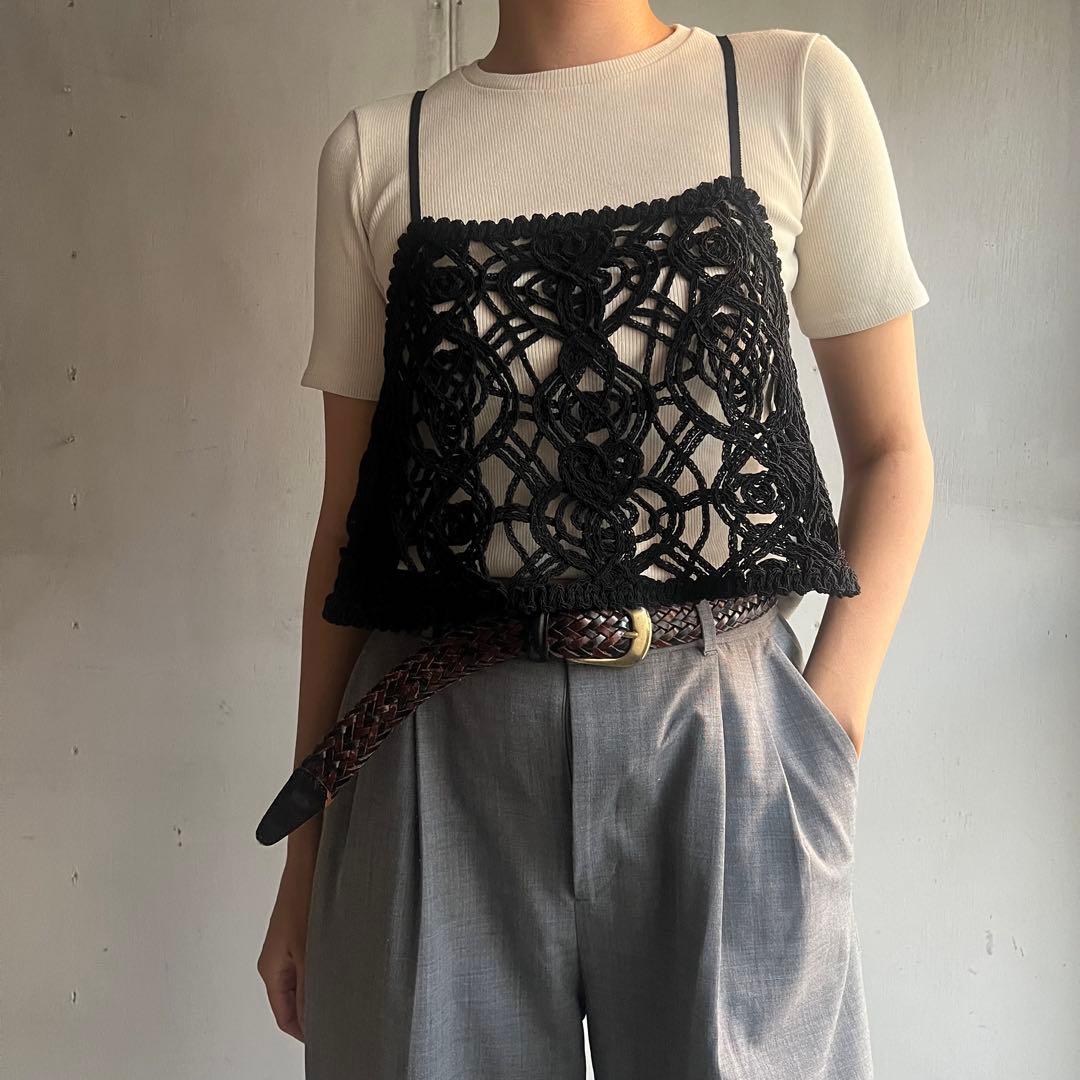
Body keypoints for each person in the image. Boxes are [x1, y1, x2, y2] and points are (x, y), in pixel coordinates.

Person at [258, 4, 933, 1077]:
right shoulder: (381, 154)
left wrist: (825, 731)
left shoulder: (787, 92)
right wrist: (304, 861)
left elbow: (893, 451)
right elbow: (349, 527)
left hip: (722, 744)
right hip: (437, 759)